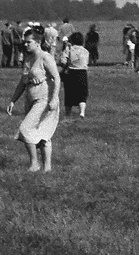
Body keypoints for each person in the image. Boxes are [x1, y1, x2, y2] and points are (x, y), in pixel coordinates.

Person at [8, 29, 60, 172]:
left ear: (37, 43)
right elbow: (22, 82)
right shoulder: (28, 58)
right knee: (40, 132)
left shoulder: (45, 57)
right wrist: (13, 100)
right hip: (30, 99)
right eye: (24, 42)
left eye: (28, 42)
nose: (25, 45)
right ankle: (47, 169)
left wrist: (54, 98)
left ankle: (34, 164)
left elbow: (57, 78)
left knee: (25, 129)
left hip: (45, 99)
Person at [60, 31, 89, 118]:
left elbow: (63, 61)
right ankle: (82, 112)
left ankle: (68, 113)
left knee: (69, 93)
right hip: (83, 72)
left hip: (71, 72)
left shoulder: (69, 49)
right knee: (82, 94)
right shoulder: (85, 51)